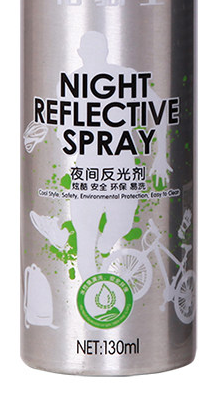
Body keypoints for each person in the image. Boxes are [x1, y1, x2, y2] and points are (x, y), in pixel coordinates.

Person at [63, 31, 171, 281]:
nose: (94, 56)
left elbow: (161, 109)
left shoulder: (126, 76)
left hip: (123, 167)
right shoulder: (71, 81)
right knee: (84, 238)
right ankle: (92, 293)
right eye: (89, 51)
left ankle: (105, 246)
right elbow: (61, 126)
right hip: (86, 171)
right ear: (79, 53)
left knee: (122, 225)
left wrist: (160, 156)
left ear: (106, 51)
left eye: (98, 50)